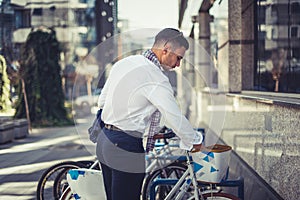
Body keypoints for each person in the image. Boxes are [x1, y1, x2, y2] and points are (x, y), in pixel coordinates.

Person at [96, 28, 203, 200]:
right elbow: (173, 115)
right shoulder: (154, 76)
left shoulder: (125, 63)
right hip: (125, 146)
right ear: (166, 48)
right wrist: (194, 141)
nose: (178, 65)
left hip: (105, 142)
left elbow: (102, 101)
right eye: (178, 58)